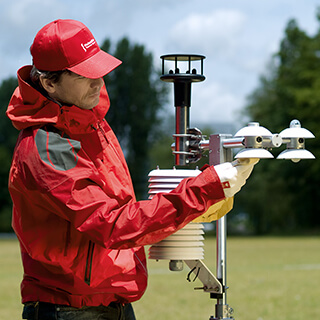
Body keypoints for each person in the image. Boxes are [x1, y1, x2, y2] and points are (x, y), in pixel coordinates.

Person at [6, 19, 257, 320]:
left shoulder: (93, 124)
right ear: (49, 83)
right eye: (85, 75)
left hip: (115, 303)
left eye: (99, 71)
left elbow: (124, 208)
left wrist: (202, 192)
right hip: (68, 308)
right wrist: (205, 188)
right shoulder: (47, 148)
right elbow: (111, 223)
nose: (98, 83)